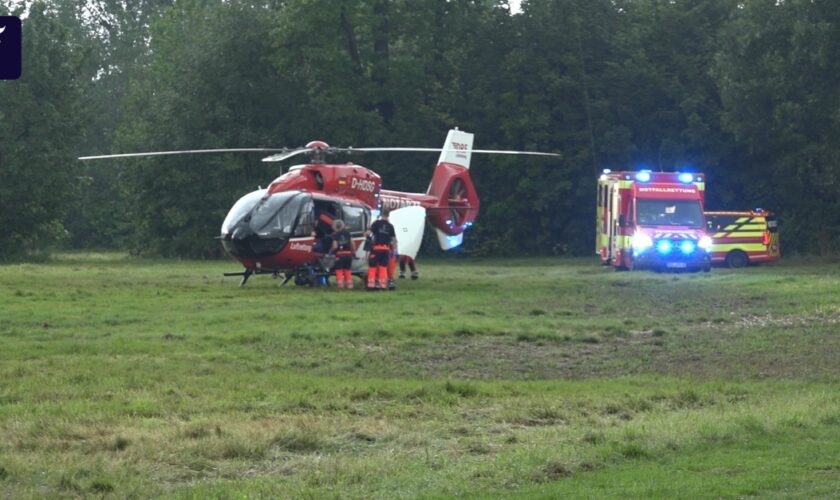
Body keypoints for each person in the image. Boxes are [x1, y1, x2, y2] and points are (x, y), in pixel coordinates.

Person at [366, 209, 397, 291]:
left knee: (373, 267)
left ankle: (371, 285)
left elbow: (368, 233)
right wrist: (393, 250)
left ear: (381, 214)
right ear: (388, 215)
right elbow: (394, 240)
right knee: (383, 267)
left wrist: (368, 236)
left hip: (376, 248)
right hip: (386, 249)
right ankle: (382, 285)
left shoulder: (376, 223)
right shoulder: (391, 226)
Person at [330, 219, 355, 289]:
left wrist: (330, 251)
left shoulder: (335, 235)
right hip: (348, 254)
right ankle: (350, 286)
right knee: (347, 270)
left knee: (339, 270)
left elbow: (335, 246)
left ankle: (340, 286)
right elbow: (352, 244)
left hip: (340, 255)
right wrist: (353, 252)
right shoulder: (348, 233)